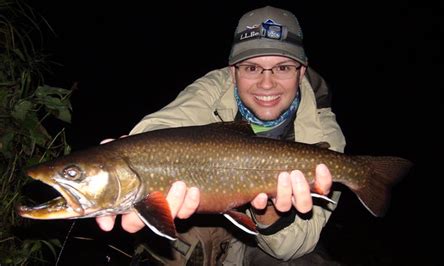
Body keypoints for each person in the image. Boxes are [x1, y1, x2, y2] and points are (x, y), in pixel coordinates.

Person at [96, 5, 345, 265]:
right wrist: (128, 161)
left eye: (282, 68)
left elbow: (294, 245)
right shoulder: (212, 88)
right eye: (251, 68)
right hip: (207, 218)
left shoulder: (324, 130)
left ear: (301, 71)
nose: (267, 83)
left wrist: (269, 212)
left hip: (264, 237)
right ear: (233, 71)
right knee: (166, 237)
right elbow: (164, 125)